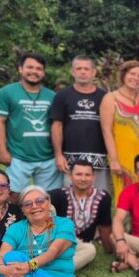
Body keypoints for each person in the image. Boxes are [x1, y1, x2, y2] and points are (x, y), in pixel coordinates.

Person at [0, 53, 60, 201]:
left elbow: (57, 125)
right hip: (18, 156)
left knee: (49, 199)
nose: (34, 71)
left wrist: (59, 154)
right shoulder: (6, 93)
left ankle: (47, 225)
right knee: (14, 197)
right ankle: (16, 224)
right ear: (20, 69)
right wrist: (2, 150)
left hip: (48, 157)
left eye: (39, 68)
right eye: (30, 67)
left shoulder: (52, 96)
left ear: (43, 72)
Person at [50, 55, 110, 193]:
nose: (83, 72)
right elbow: (57, 126)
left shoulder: (105, 97)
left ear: (94, 72)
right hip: (71, 160)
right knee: (71, 199)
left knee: (100, 197)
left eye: (86, 69)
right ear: (73, 72)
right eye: (79, 68)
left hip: (99, 159)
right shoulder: (62, 96)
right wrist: (58, 155)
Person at [100, 60, 139, 203]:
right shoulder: (110, 98)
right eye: (132, 74)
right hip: (124, 158)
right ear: (124, 75)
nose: (135, 78)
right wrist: (113, 160)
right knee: (127, 198)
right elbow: (107, 131)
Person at [49, 161, 113, 271]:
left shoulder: (103, 197)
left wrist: (109, 249)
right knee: (48, 208)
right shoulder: (57, 195)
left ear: (93, 177)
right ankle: (46, 263)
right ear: (70, 176)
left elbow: (104, 226)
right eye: (78, 174)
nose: (83, 179)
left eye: (87, 175)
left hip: (79, 246)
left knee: (90, 250)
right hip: (55, 240)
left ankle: (58, 269)